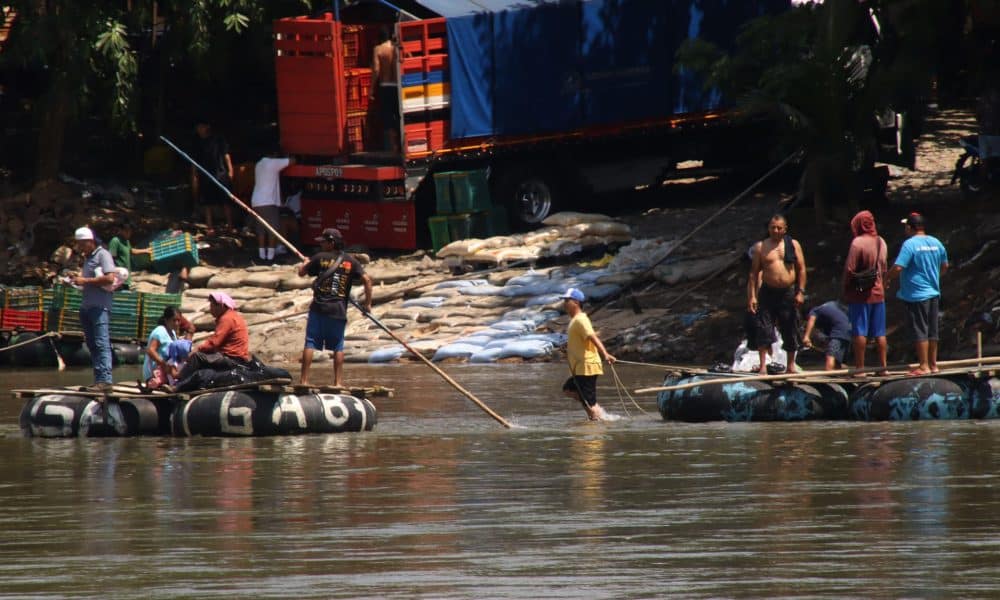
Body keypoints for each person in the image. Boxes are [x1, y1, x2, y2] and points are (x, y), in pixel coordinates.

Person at [298, 228, 373, 387]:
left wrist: (305, 263)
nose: (321, 245)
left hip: (318, 308)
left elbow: (301, 273)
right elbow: (367, 280)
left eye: (324, 242)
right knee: (338, 347)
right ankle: (338, 383)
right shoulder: (350, 261)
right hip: (338, 310)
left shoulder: (319, 258)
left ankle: (304, 381)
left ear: (331, 243)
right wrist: (368, 304)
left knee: (310, 343)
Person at [886, 212, 949, 375]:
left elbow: (898, 267)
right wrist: (934, 277)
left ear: (910, 227)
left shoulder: (910, 244)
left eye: (906, 226)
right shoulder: (936, 242)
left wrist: (886, 277)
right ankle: (933, 365)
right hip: (933, 292)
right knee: (932, 331)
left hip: (916, 294)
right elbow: (945, 266)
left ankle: (923, 366)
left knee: (920, 330)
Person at [747, 214, 807, 374]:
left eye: (779, 228)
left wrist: (801, 292)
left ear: (785, 229)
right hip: (767, 292)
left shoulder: (793, 245)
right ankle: (762, 366)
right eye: (772, 227)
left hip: (788, 292)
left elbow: (801, 269)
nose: (775, 230)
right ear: (768, 228)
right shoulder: (761, 247)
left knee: (790, 327)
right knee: (763, 327)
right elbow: (753, 273)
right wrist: (752, 296)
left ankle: (790, 366)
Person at [843, 210, 889, 376]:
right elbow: (884, 268)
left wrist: (845, 287)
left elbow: (850, 269)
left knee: (860, 331)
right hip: (878, 293)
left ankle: (860, 368)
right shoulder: (881, 241)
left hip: (860, 294)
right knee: (880, 333)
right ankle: (883, 368)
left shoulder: (857, 243)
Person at [71, 226, 117, 392]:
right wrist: (77, 281)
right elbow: (88, 282)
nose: (80, 248)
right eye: (79, 245)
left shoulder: (103, 254)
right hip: (87, 307)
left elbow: (110, 278)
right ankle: (98, 380)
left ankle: (105, 380)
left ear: (90, 241)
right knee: (92, 344)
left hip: (99, 307)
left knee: (101, 343)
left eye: (82, 244)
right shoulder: (88, 258)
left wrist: (85, 281)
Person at [172, 291, 251, 386]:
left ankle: (178, 380)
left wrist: (197, 349)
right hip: (235, 357)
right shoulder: (233, 316)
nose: (210, 309)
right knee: (204, 359)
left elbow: (214, 343)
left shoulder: (226, 319)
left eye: (212, 306)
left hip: (231, 357)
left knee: (197, 357)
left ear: (221, 306)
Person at [561, 287, 616, 421]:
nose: (564, 303)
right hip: (580, 367)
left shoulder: (581, 319)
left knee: (588, 401)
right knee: (568, 390)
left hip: (587, 366)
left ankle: (597, 421)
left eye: (567, 300)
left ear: (576, 302)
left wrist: (605, 354)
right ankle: (599, 414)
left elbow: (592, 337)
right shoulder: (576, 320)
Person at [191, 118, 235, 233]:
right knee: (207, 203)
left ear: (207, 127)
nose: (199, 130)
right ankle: (210, 227)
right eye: (198, 128)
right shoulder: (197, 143)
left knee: (226, 201)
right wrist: (194, 176)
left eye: (201, 127)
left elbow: (226, 155)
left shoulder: (218, 139)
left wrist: (230, 171)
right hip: (205, 175)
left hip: (220, 173)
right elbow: (194, 162)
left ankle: (230, 226)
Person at [250, 151, 293, 263]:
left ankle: (261, 256)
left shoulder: (259, 164)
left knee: (261, 229)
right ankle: (270, 257)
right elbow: (292, 161)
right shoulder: (273, 163)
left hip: (256, 201)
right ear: (274, 154)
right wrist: (287, 156)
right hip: (268, 201)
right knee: (272, 230)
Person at [370, 26, 401, 153]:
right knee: (399, 115)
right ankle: (402, 144)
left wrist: (372, 88)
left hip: (385, 86)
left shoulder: (378, 49)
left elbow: (376, 69)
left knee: (388, 117)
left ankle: (394, 147)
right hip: (398, 86)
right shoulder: (396, 48)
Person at [802, 301, 852, 371]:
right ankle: (837, 372)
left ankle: (830, 370)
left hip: (838, 331)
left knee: (830, 355)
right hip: (849, 331)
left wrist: (806, 337)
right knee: (837, 360)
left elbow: (811, 320)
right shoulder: (831, 305)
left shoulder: (815, 310)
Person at [107, 221, 152, 290]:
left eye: (130, 231)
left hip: (125, 276)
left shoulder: (126, 241)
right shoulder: (115, 241)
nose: (129, 233)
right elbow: (110, 258)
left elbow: (131, 251)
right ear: (120, 230)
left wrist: (146, 250)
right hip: (118, 277)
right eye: (126, 231)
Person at [143, 306, 181, 387]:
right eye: (174, 320)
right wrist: (164, 365)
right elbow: (150, 350)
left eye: (178, 320)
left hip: (167, 372)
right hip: (155, 373)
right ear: (166, 320)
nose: (177, 323)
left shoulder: (173, 333)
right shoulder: (160, 331)